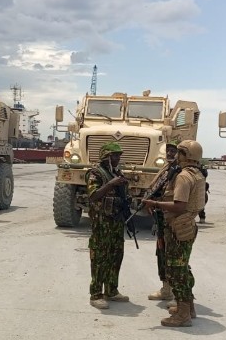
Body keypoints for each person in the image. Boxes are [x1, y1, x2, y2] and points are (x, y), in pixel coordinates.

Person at [142, 139, 206, 327]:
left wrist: (154, 204)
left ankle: (183, 315)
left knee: (177, 271)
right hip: (185, 225)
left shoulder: (184, 177)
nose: (176, 156)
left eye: (180, 152)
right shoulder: (196, 173)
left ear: (188, 155)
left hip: (178, 227)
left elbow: (179, 206)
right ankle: (187, 307)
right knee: (182, 268)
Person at [86, 142, 131, 309]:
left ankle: (111, 290)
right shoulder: (96, 173)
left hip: (116, 221)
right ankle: (96, 294)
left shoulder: (117, 172)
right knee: (100, 258)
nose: (117, 158)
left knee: (116, 255)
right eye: (114, 155)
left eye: (119, 155)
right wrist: (112, 183)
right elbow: (93, 195)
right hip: (102, 222)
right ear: (105, 157)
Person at [147, 141, 181, 301]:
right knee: (162, 252)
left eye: (173, 151)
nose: (170, 154)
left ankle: (178, 294)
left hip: (174, 219)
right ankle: (166, 288)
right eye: (168, 150)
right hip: (161, 217)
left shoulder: (181, 172)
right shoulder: (166, 170)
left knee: (175, 256)